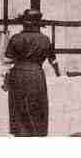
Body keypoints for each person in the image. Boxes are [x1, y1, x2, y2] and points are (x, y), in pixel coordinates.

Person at [5, 9, 60, 137]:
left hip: (17, 75)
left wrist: (6, 80)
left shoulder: (15, 38)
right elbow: (53, 60)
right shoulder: (45, 39)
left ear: (24, 23)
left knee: (18, 107)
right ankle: (37, 134)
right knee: (37, 106)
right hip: (36, 75)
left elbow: (7, 62)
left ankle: (21, 134)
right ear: (38, 24)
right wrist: (58, 72)